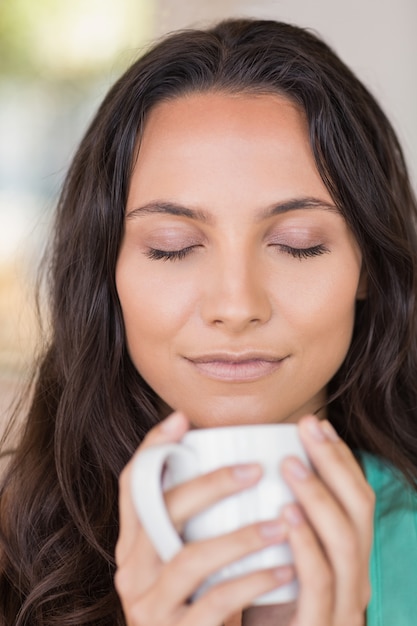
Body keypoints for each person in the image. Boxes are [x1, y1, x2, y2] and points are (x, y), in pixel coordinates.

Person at [1, 17, 417, 626]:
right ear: (105, 274)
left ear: (369, 268)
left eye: (298, 244)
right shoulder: (20, 553)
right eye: (171, 246)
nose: (235, 304)